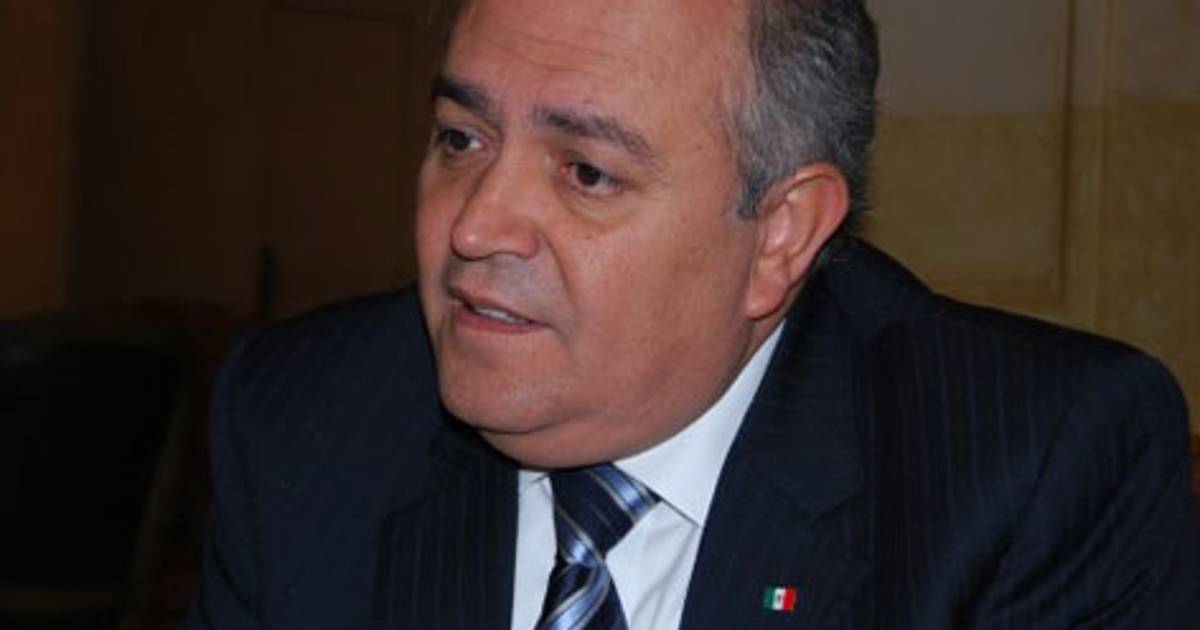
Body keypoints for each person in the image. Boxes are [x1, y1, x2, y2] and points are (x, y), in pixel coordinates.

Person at [183, 0, 1200, 628]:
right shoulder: (304, 420)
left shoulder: (1032, 467)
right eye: (461, 139)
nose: (476, 224)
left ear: (779, 236)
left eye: (586, 172)